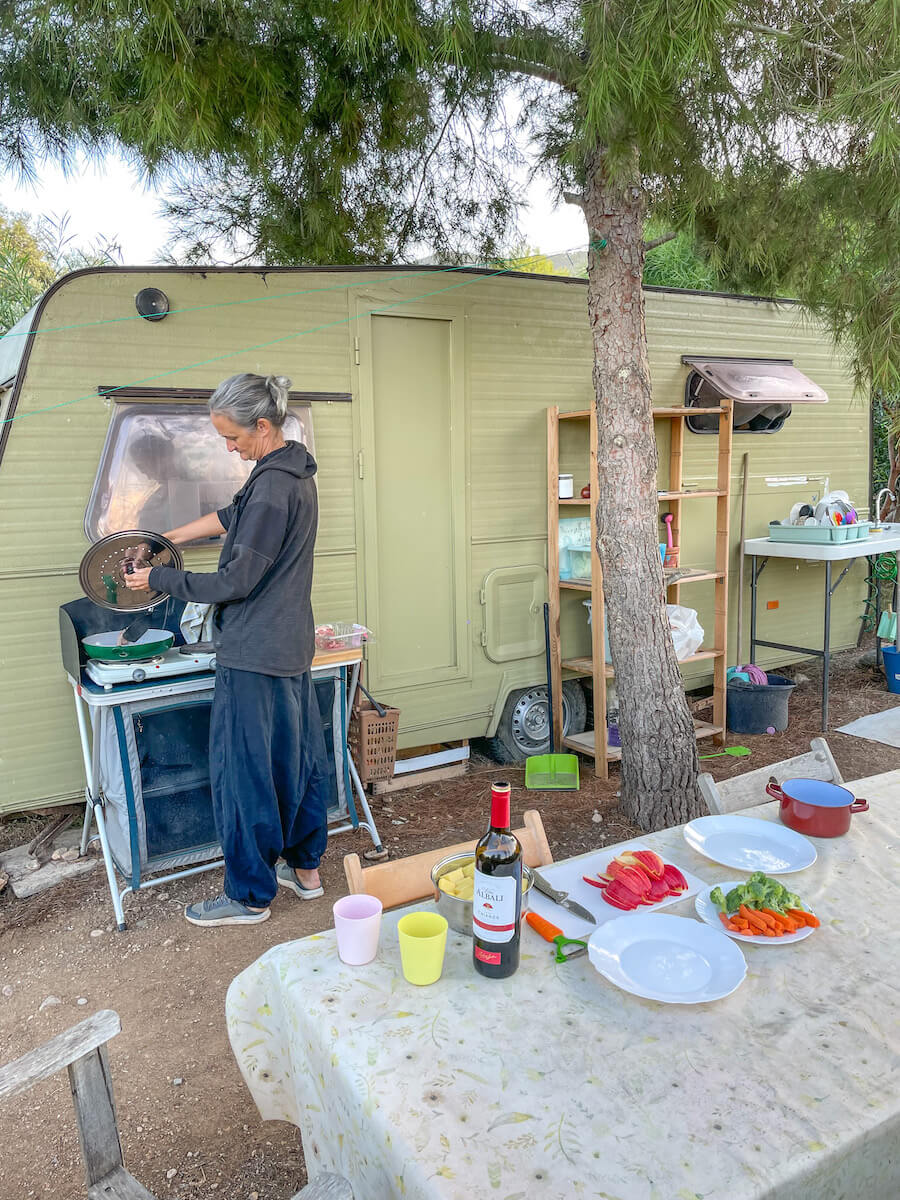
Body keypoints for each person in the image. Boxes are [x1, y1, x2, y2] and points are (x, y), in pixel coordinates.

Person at [124, 373, 329, 928]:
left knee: (244, 774)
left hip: (254, 649)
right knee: (297, 759)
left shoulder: (271, 487)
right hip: (290, 644)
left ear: (262, 426)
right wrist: (168, 540)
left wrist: (162, 579)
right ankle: (306, 871)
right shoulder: (288, 472)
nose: (228, 447)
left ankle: (248, 896)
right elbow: (228, 517)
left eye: (232, 438)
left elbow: (236, 581)